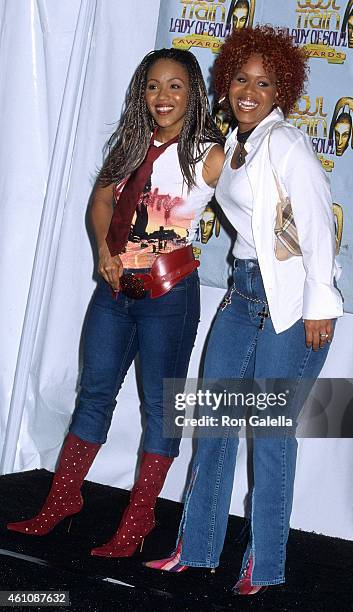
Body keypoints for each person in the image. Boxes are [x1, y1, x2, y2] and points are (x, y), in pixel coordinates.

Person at [145, 26, 343, 594]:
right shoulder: (233, 145)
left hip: (293, 300)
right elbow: (182, 203)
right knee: (214, 421)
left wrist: (319, 305)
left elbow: (318, 225)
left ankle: (265, 565)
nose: (249, 91)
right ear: (226, 80)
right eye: (240, 78)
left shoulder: (286, 144)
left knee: (269, 431)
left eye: (264, 82)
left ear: (282, 89)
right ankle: (197, 548)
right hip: (243, 293)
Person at [7, 48, 224, 558]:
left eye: (175, 85)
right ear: (140, 92)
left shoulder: (210, 154)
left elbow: (252, 199)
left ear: (193, 91)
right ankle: (62, 500)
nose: (162, 96)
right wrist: (104, 252)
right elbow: (102, 200)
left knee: (160, 408)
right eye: (152, 86)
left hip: (168, 296)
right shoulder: (130, 142)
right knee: (95, 393)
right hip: (114, 290)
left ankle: (139, 519)